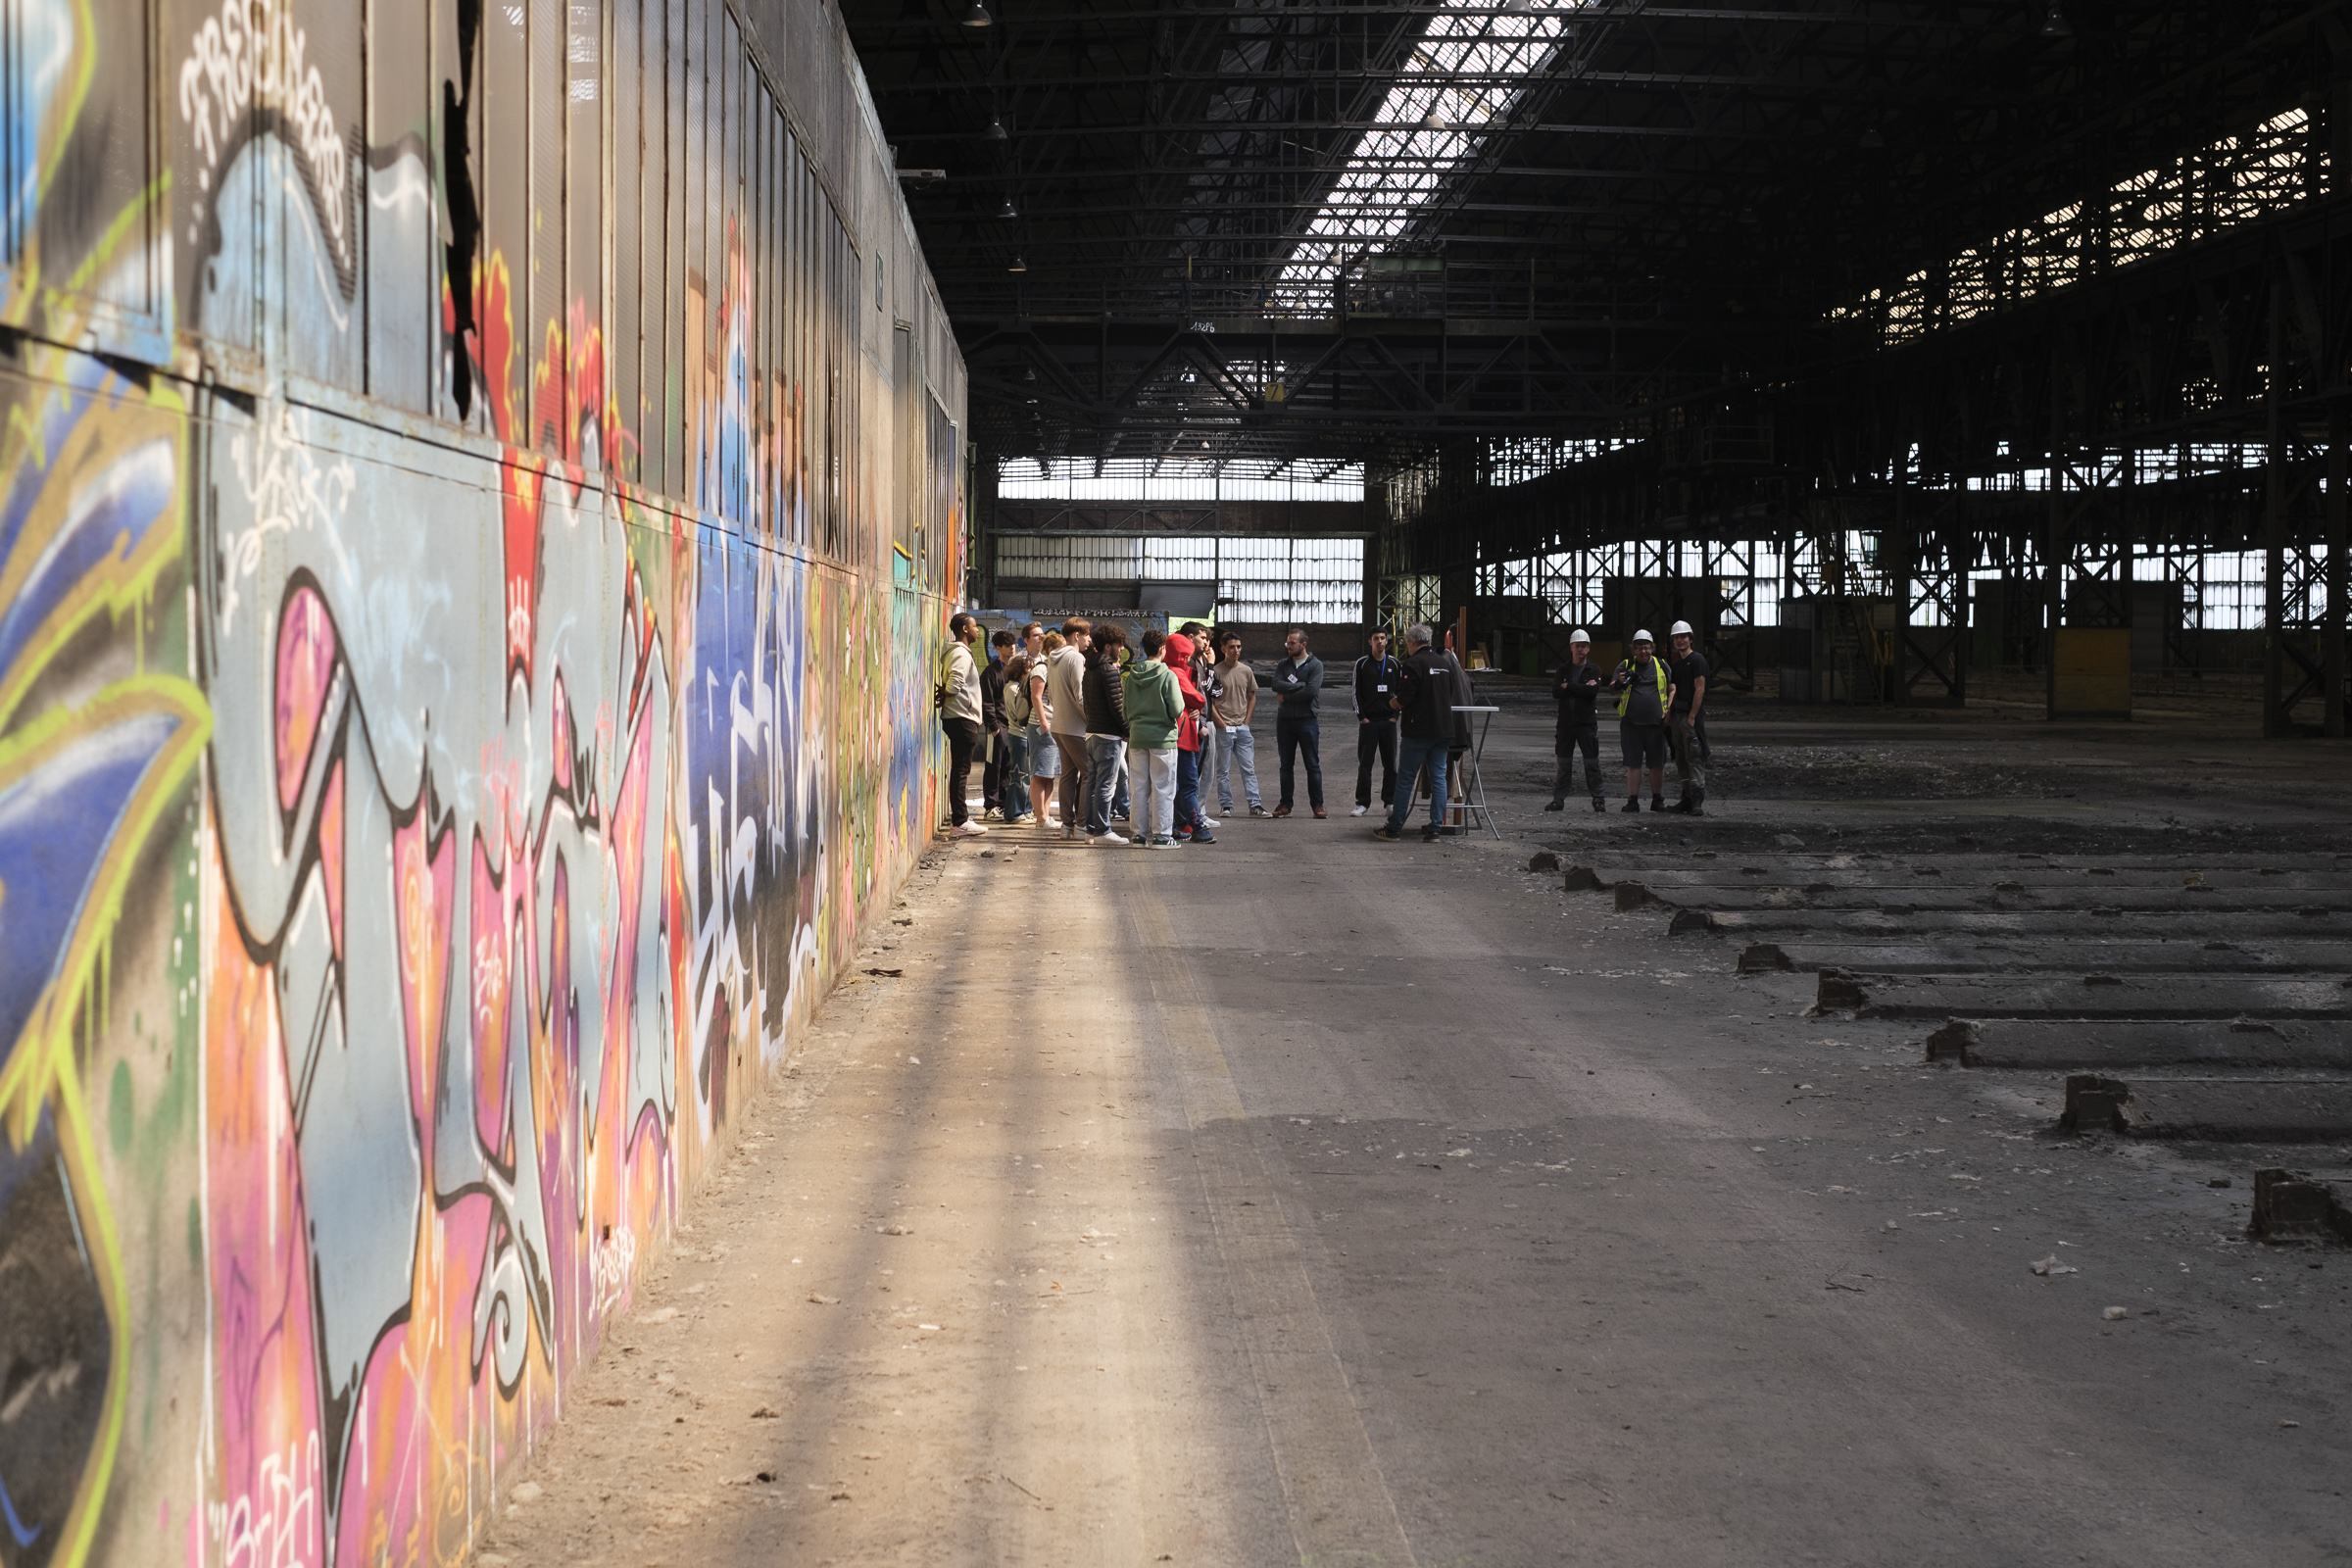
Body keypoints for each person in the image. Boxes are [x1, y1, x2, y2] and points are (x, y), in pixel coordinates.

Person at [1371, 624, 1452, 843]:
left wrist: (1393, 702)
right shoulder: (1443, 663)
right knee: (1439, 779)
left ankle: (1394, 827)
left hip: (1418, 730)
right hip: (1443, 729)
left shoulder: (1413, 664)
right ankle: (1435, 828)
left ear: (1413, 642)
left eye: (1407, 643)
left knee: (1406, 779)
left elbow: (1406, 696)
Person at [1121, 627, 1183, 848]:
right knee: (1163, 787)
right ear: (1163, 649)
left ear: (1143, 649)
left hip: (1137, 737)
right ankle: (1162, 837)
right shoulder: (1168, 675)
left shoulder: (1131, 676)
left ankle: (1138, 836)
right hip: (1162, 739)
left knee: (1138, 788)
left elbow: (1125, 712)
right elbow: (1177, 709)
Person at [1610, 629, 1675, 813]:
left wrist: (1669, 709)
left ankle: (1657, 800)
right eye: (1639, 648)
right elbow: (1612, 689)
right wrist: (1619, 682)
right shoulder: (1625, 665)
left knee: (1657, 764)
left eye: (1646, 648)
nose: (1643, 652)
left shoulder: (1662, 665)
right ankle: (1633, 801)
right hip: (1631, 724)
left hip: (1656, 725)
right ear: (1634, 650)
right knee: (1633, 763)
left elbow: (1672, 688)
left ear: (1652, 648)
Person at [1544, 629, 1607, 814]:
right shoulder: (1563, 670)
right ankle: (1558, 800)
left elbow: (1592, 692)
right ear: (1571, 647)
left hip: (1586, 724)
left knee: (1592, 764)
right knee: (1564, 764)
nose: (1580, 649)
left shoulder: (1594, 670)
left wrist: (1570, 686)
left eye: (1584, 646)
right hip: (1565, 724)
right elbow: (1556, 692)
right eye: (1577, 646)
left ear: (1588, 649)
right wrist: (1580, 688)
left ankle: (1598, 800)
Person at [936, 612, 987, 837]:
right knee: (961, 771)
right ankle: (960, 822)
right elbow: (955, 683)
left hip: (958, 716)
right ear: (964, 629)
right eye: (974, 626)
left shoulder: (958, 653)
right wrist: (947, 692)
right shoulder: (961, 655)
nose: (977, 630)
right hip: (962, 718)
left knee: (960, 770)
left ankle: (961, 819)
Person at [1081, 622, 1130, 844]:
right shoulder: (1108, 669)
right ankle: (1102, 831)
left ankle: (1091, 830)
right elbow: (1117, 706)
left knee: (1093, 785)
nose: (1122, 649)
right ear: (1108, 646)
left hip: (1091, 733)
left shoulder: (1089, 667)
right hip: (1108, 736)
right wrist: (1127, 730)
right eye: (1119, 645)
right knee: (1105, 786)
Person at [1269, 627, 1325, 817]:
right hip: (1285, 721)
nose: (1288, 646)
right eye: (1287, 643)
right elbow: (1275, 684)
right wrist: (1299, 685)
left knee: (1312, 764)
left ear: (1303, 644)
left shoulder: (1315, 665)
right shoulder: (1283, 664)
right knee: (1286, 765)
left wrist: (1285, 697)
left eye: (1292, 643)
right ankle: (1285, 804)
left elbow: (1311, 691)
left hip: (1307, 720)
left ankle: (1318, 805)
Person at [1165, 631, 1215, 844]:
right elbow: (1199, 698)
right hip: (1183, 736)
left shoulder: (1166, 670)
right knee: (1189, 784)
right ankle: (1197, 827)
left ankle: (1174, 825)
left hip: (1171, 736)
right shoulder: (1177, 672)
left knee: (1170, 785)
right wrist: (1194, 704)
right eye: (1185, 655)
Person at [1045, 617, 1092, 838]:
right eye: (1087, 635)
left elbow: (1052, 694)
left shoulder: (1052, 659)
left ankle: (1067, 825)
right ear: (1077, 636)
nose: (1089, 640)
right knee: (1089, 773)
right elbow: (1080, 695)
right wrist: (1090, 721)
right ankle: (1081, 825)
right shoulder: (1075, 657)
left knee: (1067, 775)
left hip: (1059, 724)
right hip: (1076, 727)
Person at [1208, 632, 1263, 815]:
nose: (1236, 650)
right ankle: (1226, 805)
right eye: (1232, 647)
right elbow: (1210, 702)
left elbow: (1252, 697)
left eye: (1238, 646)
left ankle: (1255, 804)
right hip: (1223, 728)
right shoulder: (1215, 672)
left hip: (1242, 728)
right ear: (1223, 649)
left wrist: (1246, 722)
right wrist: (1221, 725)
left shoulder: (1246, 671)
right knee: (1223, 770)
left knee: (1248, 768)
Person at [1350, 627, 1400, 816]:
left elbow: (1401, 690)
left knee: (1390, 764)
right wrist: (1362, 717)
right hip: (1368, 722)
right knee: (1365, 764)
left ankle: (1390, 802)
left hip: (1388, 722)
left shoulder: (1395, 664)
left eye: (1382, 638)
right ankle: (1362, 803)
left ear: (1386, 641)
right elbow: (1355, 691)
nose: (1380, 641)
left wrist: (1396, 716)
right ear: (1370, 642)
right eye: (1376, 638)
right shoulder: (1362, 664)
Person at [980, 628, 1025, 821]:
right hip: (998, 725)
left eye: (1013, 644)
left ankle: (1004, 802)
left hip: (1013, 725)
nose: (1012, 647)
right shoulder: (991, 672)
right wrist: (994, 726)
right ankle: (991, 805)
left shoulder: (1015, 670)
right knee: (994, 765)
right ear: (998, 647)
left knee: (1008, 765)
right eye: (1007, 645)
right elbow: (987, 701)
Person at [1666, 618, 1709, 814]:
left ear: (1690, 639)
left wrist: (1692, 716)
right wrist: (1669, 712)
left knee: (1694, 757)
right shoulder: (1676, 664)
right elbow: (1673, 689)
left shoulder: (1697, 660)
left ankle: (1697, 801)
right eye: (1676, 637)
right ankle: (1686, 798)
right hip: (1677, 717)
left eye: (1683, 637)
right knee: (1681, 758)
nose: (1680, 640)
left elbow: (1700, 690)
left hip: (1690, 719)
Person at [1025, 632, 1063, 826]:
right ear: (1052, 650)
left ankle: (1046, 816)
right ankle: (1040, 817)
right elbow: (1036, 697)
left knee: (1050, 774)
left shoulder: (1055, 669)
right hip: (1041, 727)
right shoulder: (1042, 669)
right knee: (1040, 773)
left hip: (1052, 725)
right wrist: (1044, 723)